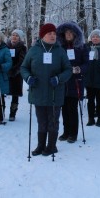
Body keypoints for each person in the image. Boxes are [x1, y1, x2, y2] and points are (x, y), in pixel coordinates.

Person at [20, 23, 72, 156]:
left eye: (54, 34)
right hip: (38, 92)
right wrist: (28, 77)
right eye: (50, 34)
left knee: (53, 121)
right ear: (43, 35)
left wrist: (59, 78)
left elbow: (68, 70)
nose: (53, 36)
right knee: (41, 121)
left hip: (55, 92)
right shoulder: (34, 50)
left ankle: (51, 146)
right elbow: (24, 67)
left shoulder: (60, 51)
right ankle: (40, 145)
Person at [56, 22, 89, 143]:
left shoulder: (82, 47)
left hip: (75, 81)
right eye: (66, 33)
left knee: (72, 108)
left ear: (75, 34)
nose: (68, 35)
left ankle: (73, 133)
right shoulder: (60, 48)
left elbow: (87, 63)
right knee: (64, 108)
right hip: (63, 82)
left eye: (71, 33)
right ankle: (66, 131)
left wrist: (79, 69)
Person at [6, 29, 27, 121]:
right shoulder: (6, 46)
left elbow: (22, 61)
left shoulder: (22, 47)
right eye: (13, 35)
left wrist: (14, 70)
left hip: (16, 74)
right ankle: (0, 111)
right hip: (6, 72)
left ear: (20, 38)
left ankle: (12, 113)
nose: (14, 37)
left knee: (15, 94)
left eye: (16, 35)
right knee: (3, 92)